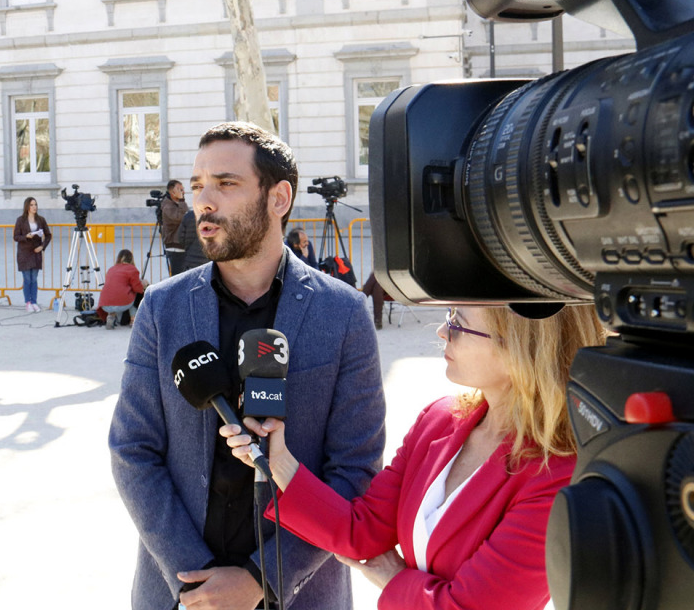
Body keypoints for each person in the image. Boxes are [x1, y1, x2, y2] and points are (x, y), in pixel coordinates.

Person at [109, 121, 386, 610]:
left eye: (225, 183)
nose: (204, 201)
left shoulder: (343, 313)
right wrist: (195, 580)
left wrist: (263, 578)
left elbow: (354, 471)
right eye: (197, 186)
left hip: (298, 594)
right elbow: (133, 449)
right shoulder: (162, 306)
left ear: (278, 198)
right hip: (181, 592)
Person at [221, 304, 607, 610]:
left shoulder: (558, 475)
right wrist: (281, 463)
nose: (442, 332)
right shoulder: (439, 419)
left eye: (458, 323)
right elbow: (362, 529)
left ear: (519, 350)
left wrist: (392, 580)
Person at [13, 196, 51, 313]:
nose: (34, 207)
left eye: (35, 204)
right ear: (27, 207)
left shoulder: (41, 219)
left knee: (34, 279)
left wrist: (42, 247)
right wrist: (26, 236)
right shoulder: (20, 220)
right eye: (32, 205)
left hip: (36, 252)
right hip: (24, 253)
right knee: (27, 279)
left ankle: (34, 302)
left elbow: (48, 235)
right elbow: (16, 237)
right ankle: (27, 302)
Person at [97, 249, 149, 329]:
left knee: (114, 294)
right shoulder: (132, 269)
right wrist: (144, 284)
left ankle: (111, 317)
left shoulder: (111, 269)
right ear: (131, 259)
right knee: (136, 295)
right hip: (123, 303)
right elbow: (138, 289)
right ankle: (133, 319)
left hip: (105, 305)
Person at [160, 179, 188, 277]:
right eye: (180, 189)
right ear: (172, 192)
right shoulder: (168, 206)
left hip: (181, 245)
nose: (183, 192)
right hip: (174, 246)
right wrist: (181, 201)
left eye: (183, 189)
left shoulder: (177, 204)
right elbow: (181, 218)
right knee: (178, 277)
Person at [174, 208, 208, 273]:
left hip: (191, 260)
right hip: (207, 261)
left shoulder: (188, 216)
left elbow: (181, 238)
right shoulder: (213, 216)